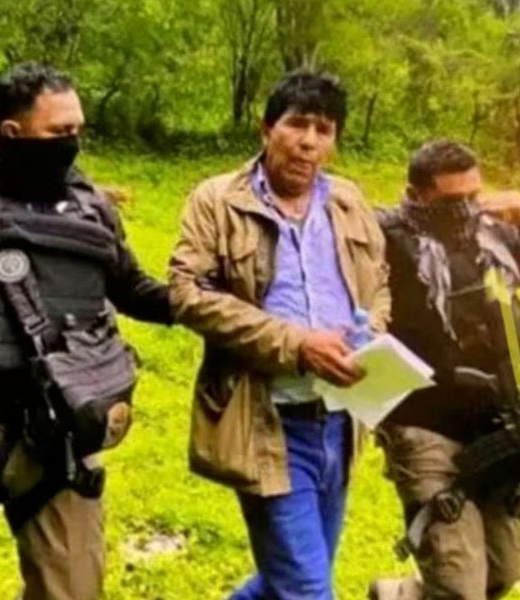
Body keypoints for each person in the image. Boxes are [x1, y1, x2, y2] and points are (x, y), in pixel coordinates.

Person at [0, 62, 172, 600]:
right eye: (60, 131)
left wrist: (208, 304)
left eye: (78, 129)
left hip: (60, 433)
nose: (73, 142)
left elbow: (133, 288)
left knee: (75, 589)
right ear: (11, 132)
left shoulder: (91, 209)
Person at [168, 70, 390, 600]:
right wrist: (297, 344)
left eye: (324, 129)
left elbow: (379, 282)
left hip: (338, 422)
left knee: (283, 582)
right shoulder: (218, 199)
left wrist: (371, 335)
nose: (309, 141)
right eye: (297, 125)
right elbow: (186, 292)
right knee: (308, 591)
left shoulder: (348, 202)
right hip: (266, 420)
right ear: (267, 128)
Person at [367, 140, 520, 600]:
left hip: (494, 424)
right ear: (416, 193)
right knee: (458, 583)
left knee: (502, 570)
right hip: (422, 421)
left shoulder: (493, 234)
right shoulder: (386, 237)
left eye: (474, 195)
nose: (466, 208)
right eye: (453, 200)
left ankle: (396, 596)